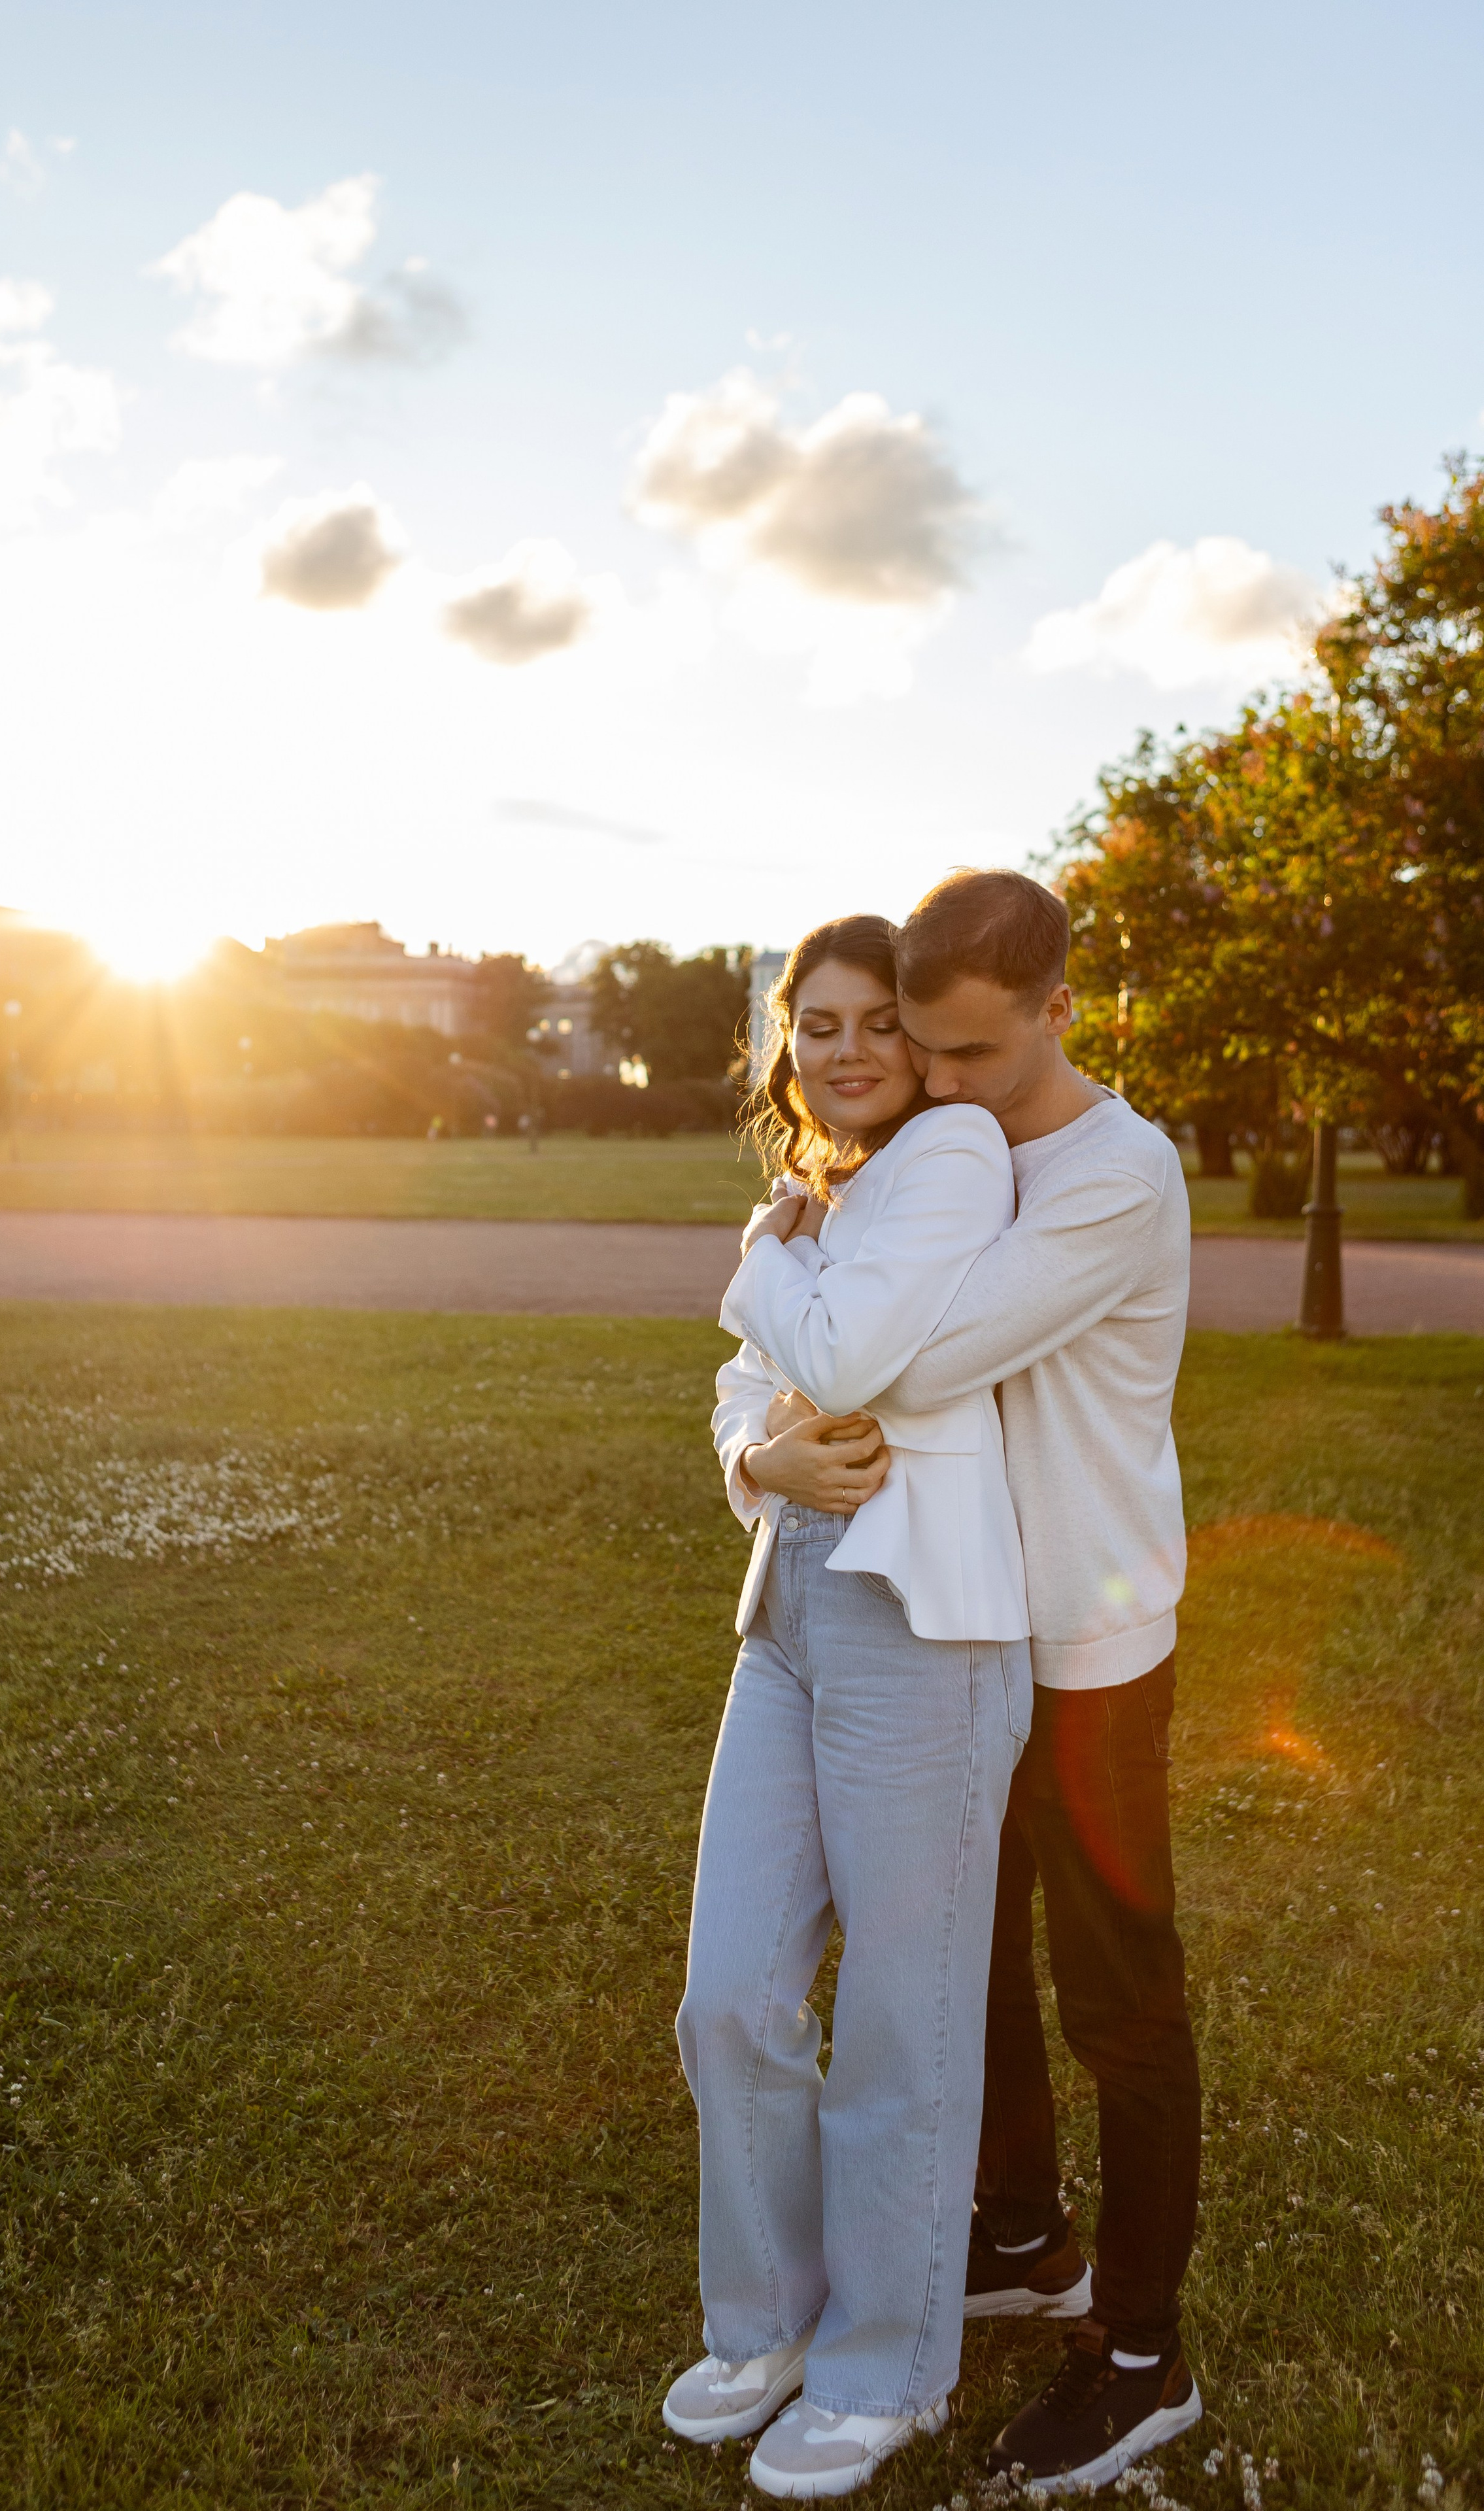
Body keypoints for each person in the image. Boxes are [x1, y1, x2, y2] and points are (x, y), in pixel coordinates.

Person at [664, 914, 1034, 2501]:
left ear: (921, 1037)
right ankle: (766, 2322)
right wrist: (760, 1459)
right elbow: (753, 1391)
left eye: (874, 1019)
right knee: (729, 1993)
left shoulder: (946, 1155)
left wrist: (763, 1259)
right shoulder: (829, 1192)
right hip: (787, 1607)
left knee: (901, 2015)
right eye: (813, 1024)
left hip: (916, 1627)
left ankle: (887, 2367)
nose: (843, 1049)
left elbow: (851, 1347)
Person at [882, 866, 1202, 2493]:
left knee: (1118, 2001)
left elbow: (919, 1354)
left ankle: (1141, 2355)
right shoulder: (956, 1143)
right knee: (972, 1964)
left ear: (1060, 1009)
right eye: (922, 1055)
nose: (943, 1089)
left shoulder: (1114, 1172)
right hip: (968, 1629)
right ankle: (1020, 2237)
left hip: (1087, 1645)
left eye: (978, 1058)